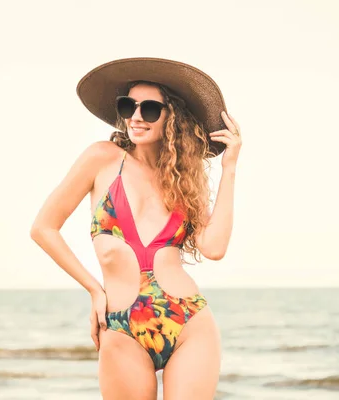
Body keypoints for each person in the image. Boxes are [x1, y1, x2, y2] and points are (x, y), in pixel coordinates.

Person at [30, 57, 241, 400]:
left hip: (188, 321)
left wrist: (229, 167)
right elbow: (43, 228)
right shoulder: (102, 158)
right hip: (121, 324)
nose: (136, 117)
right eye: (129, 106)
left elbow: (214, 248)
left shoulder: (184, 180)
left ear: (172, 116)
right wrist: (94, 290)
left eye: (150, 109)